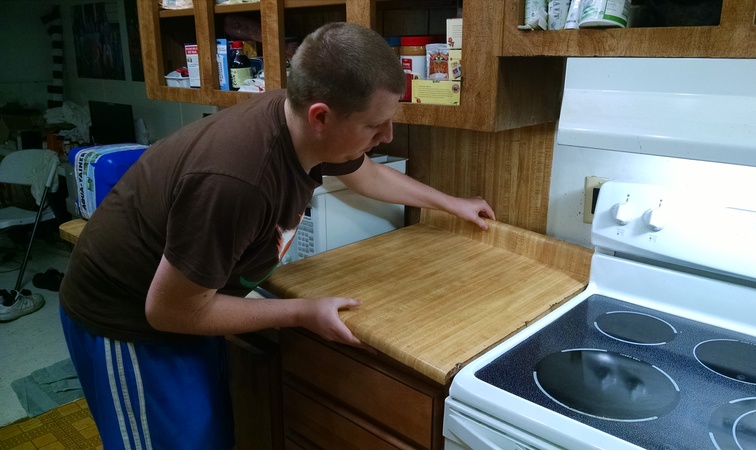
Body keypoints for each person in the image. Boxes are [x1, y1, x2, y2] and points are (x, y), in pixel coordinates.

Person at [59, 21, 495, 450]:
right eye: (374, 126)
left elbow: (366, 173)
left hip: (190, 301)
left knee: (208, 435)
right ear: (320, 116)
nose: (388, 136)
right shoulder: (238, 181)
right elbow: (169, 311)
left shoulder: (301, 126)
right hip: (125, 318)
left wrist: (451, 203)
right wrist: (301, 311)